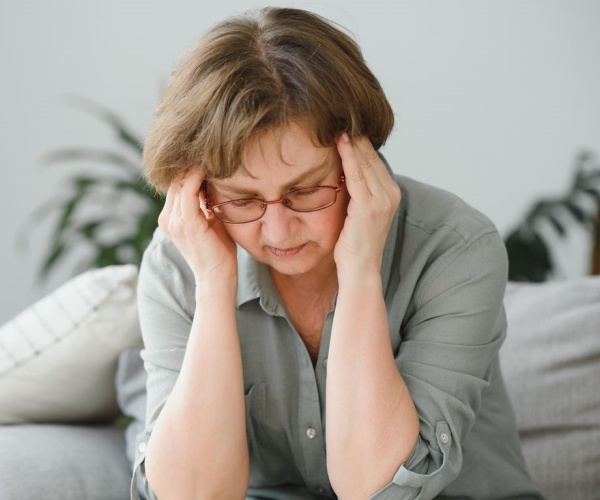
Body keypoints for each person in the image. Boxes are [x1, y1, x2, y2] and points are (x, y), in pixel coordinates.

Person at [131, 7, 544, 500]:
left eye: (305, 190)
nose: (277, 229)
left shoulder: (454, 248)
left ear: (359, 158)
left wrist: (361, 271)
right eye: (242, 200)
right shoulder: (180, 262)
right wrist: (215, 286)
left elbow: (378, 489)